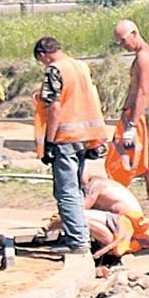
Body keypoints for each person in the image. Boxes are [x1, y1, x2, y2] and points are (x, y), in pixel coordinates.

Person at [33, 36, 107, 254]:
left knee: (67, 192)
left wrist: (50, 140)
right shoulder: (80, 66)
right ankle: (78, 234)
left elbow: (55, 108)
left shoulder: (54, 70)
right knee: (76, 188)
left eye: (42, 60)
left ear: (43, 54)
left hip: (65, 137)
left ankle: (78, 241)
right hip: (85, 136)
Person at [111, 20, 149, 230]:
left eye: (123, 41)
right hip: (138, 115)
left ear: (134, 33)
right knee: (141, 164)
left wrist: (133, 124)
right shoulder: (146, 54)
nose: (123, 45)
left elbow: (142, 92)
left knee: (140, 164)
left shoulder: (144, 57)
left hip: (139, 116)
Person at [45, 174, 149, 261]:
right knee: (76, 218)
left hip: (125, 220)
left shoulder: (95, 185)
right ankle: (108, 247)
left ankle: (108, 248)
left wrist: (47, 228)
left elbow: (77, 212)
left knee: (73, 217)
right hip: (125, 221)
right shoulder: (103, 183)